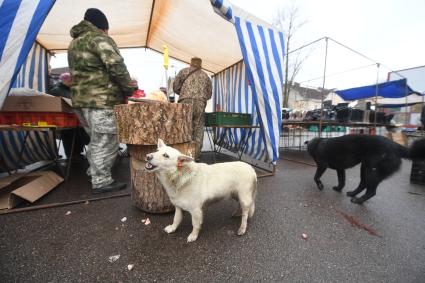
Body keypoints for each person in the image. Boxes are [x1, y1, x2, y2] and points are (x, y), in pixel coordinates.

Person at [67, 8, 136, 194]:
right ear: (103, 27)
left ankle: (93, 172)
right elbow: (116, 65)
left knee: (96, 140)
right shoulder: (99, 39)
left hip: (80, 101)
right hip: (101, 100)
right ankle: (101, 181)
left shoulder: (74, 43)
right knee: (106, 141)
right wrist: (129, 88)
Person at [173, 57, 212, 160]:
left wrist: (184, 93)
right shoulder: (206, 76)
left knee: (184, 127)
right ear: (200, 64)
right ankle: (195, 156)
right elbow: (209, 94)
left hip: (185, 102)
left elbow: (175, 87)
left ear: (191, 63)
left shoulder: (183, 71)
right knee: (198, 129)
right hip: (200, 103)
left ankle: (182, 153)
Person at [50, 72, 90, 160]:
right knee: (69, 135)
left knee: (78, 132)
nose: (73, 83)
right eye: (71, 80)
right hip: (64, 117)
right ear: (66, 80)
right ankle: (72, 155)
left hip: (73, 116)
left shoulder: (69, 89)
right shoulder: (57, 90)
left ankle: (77, 153)